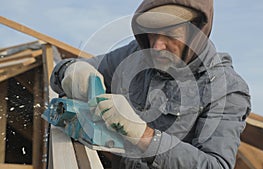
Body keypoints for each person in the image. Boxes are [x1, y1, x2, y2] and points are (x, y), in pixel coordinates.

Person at [50, 0, 251, 168]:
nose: (157, 46)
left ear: (197, 33)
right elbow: (65, 70)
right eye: (152, 33)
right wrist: (71, 72)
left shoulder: (227, 89)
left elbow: (215, 165)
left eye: (171, 35)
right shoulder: (135, 55)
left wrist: (143, 136)